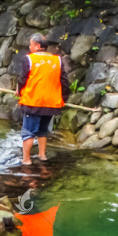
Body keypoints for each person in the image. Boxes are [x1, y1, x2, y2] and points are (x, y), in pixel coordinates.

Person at [16, 34, 69, 164]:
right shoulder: (58, 60)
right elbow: (64, 82)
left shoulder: (29, 59)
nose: (29, 47)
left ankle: (26, 160)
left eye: (31, 44)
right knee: (42, 129)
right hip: (51, 102)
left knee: (28, 131)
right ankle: (42, 155)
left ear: (38, 46)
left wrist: (18, 91)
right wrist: (63, 99)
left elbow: (23, 79)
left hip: (33, 101)